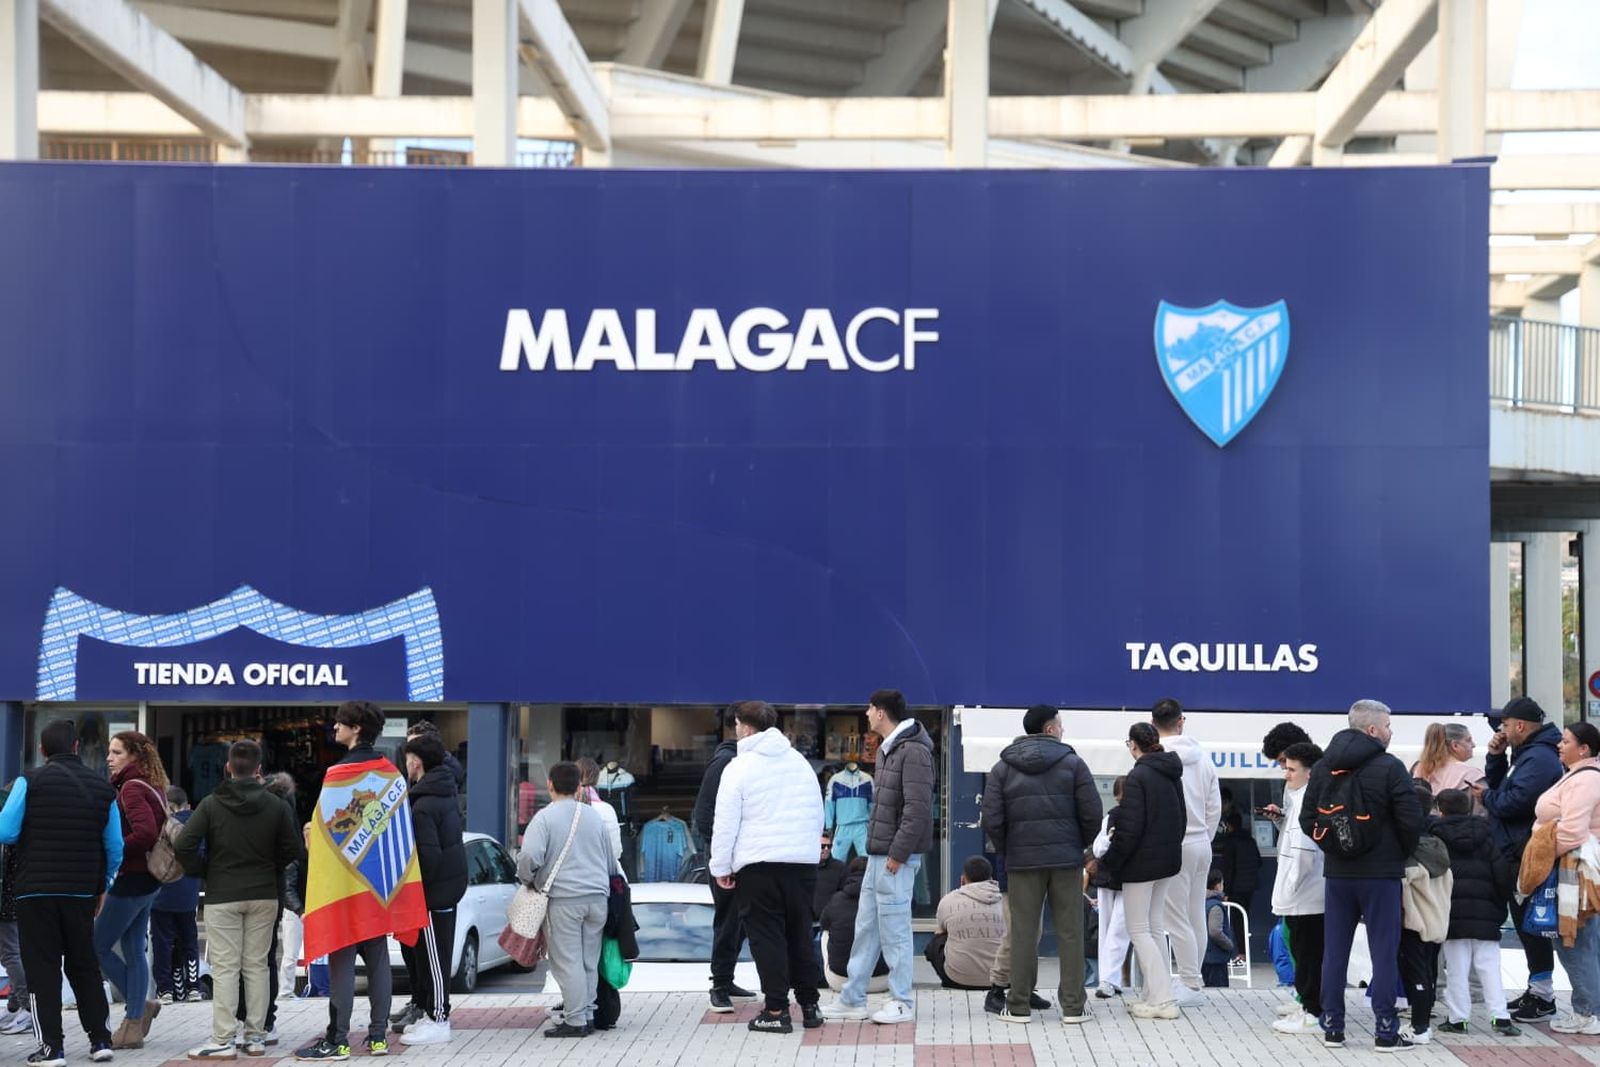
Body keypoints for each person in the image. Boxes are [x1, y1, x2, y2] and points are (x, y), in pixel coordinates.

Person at [296, 701, 419, 1061]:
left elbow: (323, 834)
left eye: (340, 724)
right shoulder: (392, 775)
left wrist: (309, 835)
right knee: (378, 958)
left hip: (343, 884)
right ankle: (379, 1037)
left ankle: (338, 1040)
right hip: (381, 884)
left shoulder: (337, 775)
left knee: (342, 963)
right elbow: (399, 834)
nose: (334, 728)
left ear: (357, 729)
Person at [1300, 699, 1425, 1053]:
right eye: (1387, 725)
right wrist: (1396, 853)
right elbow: (1410, 819)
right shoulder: (1389, 766)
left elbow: (1307, 819)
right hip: (1381, 875)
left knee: (1334, 953)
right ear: (1372, 729)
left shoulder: (1325, 766)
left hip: (1338, 875)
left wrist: (1334, 848)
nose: (1390, 731)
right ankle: (1385, 1030)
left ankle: (1333, 1028)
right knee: (1383, 953)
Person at [0, 717, 122, 1067]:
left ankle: (52, 1048)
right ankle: (100, 1040)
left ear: (41, 750)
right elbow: (114, 846)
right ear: (76, 747)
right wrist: (104, 884)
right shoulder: (102, 790)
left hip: (34, 891)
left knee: (42, 968)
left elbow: (6, 831)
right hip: (82, 891)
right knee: (84, 964)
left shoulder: (29, 781)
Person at [176, 740, 301, 1060]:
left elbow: (184, 844)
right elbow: (294, 850)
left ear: (228, 767)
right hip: (263, 893)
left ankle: (223, 1038)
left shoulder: (211, 804)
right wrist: (271, 866)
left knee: (227, 968)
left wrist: (205, 871)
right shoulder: (277, 806)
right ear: (259, 770)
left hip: (222, 893)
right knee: (258, 965)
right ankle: (256, 1036)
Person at [979, 703, 1101, 1024]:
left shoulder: (1002, 768)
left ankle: (1018, 1005)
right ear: (1049, 729)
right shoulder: (1074, 764)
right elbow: (1093, 814)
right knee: (1071, 932)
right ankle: (1073, 1006)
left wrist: (1009, 848)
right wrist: (1077, 844)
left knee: (1022, 931)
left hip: (1022, 861)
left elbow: (991, 818)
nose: (1063, 730)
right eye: (1060, 725)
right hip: (1065, 861)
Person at [709, 700, 826, 1034]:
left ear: (744, 727)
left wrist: (722, 866)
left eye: (735, 725)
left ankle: (776, 1009)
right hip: (802, 863)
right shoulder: (800, 763)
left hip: (759, 864)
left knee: (767, 937)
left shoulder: (739, 767)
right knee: (799, 933)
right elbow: (817, 813)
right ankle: (810, 1004)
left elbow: (726, 822)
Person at [820, 690, 934, 1026]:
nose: (866, 714)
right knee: (866, 926)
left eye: (870, 708)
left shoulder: (911, 751)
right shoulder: (891, 749)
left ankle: (901, 1001)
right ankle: (852, 999)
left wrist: (898, 854)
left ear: (881, 712)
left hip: (893, 858)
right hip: (878, 855)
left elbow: (917, 809)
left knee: (895, 930)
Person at [1474, 697, 1564, 1023]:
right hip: (1516, 850)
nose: (1502, 731)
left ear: (1521, 726)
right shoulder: (1526, 754)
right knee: (1527, 926)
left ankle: (1544, 996)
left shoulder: (1539, 759)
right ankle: (1538, 989)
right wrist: (1495, 758)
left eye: (1506, 725)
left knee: (1532, 926)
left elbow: (1514, 802)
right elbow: (1505, 788)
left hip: (1525, 853)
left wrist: (1485, 797)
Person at [518, 761, 621, 1038]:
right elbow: (611, 861)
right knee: (589, 960)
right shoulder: (594, 817)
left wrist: (528, 878)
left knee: (567, 961)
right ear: (579, 786)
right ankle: (587, 1013)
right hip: (598, 897)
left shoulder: (544, 818)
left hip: (564, 898)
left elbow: (529, 858)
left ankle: (575, 1020)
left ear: (550, 785)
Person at [1100, 722, 1185, 1021]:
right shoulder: (1171, 772)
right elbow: (1181, 818)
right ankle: (1157, 993)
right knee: (1153, 926)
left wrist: (1110, 862)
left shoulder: (1138, 776)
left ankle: (1161, 999)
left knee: (1138, 929)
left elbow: (1129, 827)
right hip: (1168, 860)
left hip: (1141, 864)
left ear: (1134, 745)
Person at [96, 731, 169, 1049]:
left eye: (116, 752)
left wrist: (112, 849)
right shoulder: (152, 784)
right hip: (150, 880)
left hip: (132, 879)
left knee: (95, 947)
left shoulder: (129, 789)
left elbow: (145, 833)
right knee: (135, 948)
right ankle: (136, 1018)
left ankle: (138, 1009)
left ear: (134, 756)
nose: (109, 758)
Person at [393, 734, 467, 1046]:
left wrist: (416, 889)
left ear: (416, 762)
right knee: (431, 955)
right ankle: (431, 1015)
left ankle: (439, 1019)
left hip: (435, 892)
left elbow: (429, 855)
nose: (405, 764)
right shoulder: (443, 792)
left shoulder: (423, 804)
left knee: (434, 957)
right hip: (448, 886)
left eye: (408, 758)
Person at [1529, 720, 1600, 1034]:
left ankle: (1587, 1012)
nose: (1559, 744)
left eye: (1566, 741)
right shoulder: (1577, 775)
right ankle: (1589, 1009)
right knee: (1582, 941)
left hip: (1575, 870)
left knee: (1574, 941)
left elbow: (1572, 830)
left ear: (1583, 748)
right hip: (1574, 867)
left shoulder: (1585, 780)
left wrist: (1539, 858)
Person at [1433, 787, 1520, 1038]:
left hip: (1452, 915)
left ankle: (1458, 1019)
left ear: (1441, 811)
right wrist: (1497, 905)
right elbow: (1502, 875)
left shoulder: (1437, 837)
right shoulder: (1487, 836)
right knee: (1490, 967)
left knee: (1457, 969)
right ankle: (1501, 1017)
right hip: (1485, 914)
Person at [1151, 698, 1221, 1007]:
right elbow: (1214, 806)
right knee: (1194, 915)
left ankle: (1190, 982)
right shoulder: (1204, 758)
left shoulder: (1155, 758)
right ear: (1182, 721)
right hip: (1200, 843)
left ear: (1154, 724)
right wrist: (1204, 836)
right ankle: (1193, 982)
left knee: (1174, 918)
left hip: (1172, 844)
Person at [691, 707, 755, 1013]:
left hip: (741, 854)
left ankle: (726, 979)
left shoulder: (742, 761)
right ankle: (719, 986)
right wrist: (720, 855)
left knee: (739, 921)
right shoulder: (726, 761)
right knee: (728, 920)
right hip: (724, 855)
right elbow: (703, 817)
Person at [1265, 741, 1326, 1037]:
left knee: (1308, 954)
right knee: (1306, 952)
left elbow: (1303, 852)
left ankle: (1313, 1013)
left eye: (1291, 769)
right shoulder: (1300, 799)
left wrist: (1289, 888)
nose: (1286, 774)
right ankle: (1310, 1009)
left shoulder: (1307, 801)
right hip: (1305, 891)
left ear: (1310, 773)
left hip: (1306, 893)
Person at [236, 772, 297, 1044]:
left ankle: (246, 1018)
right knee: (264, 957)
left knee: (242, 958)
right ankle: (265, 1020)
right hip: (270, 886)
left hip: (245, 887)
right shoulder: (283, 807)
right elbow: (292, 848)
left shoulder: (250, 805)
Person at [1397, 782, 1450, 1048]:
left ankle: (1419, 1028)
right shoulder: (1437, 843)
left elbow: (1405, 881)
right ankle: (1422, 1022)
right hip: (1436, 921)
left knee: (1415, 974)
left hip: (1414, 921)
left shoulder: (1407, 849)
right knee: (1428, 972)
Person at [151, 787, 201, 1005]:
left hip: (162, 891)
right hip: (189, 892)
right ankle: (193, 987)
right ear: (187, 805)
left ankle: (166, 989)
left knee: (163, 942)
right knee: (189, 940)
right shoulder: (198, 824)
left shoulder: (160, 823)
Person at [929, 857, 1005, 990]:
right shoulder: (1005, 900)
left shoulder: (948, 900)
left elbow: (940, 931)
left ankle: (956, 975)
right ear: (990, 878)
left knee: (937, 940)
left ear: (963, 879)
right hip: (1004, 980)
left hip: (957, 979)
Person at [1089, 776, 1131, 1000]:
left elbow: (1097, 849)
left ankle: (1108, 979)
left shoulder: (1112, 816)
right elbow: (1098, 848)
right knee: (1113, 928)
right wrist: (1109, 840)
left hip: (1115, 876)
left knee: (1115, 928)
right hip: (1119, 877)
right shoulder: (1112, 817)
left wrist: (1107, 842)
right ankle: (1109, 979)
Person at [819, 858, 888, 992]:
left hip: (840, 981)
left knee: (825, 933)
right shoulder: (883, 899)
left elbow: (824, 924)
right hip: (882, 981)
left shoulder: (837, 899)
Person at [0, 780, 30, 1037]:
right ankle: (15, 1005)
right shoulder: (28, 826)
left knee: (10, 954)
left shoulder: (8, 828)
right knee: (14, 952)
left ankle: (26, 1008)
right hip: (19, 898)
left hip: (6, 901)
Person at [1213, 809, 1261, 956]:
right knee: (1244, 918)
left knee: (1237, 921)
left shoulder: (1231, 842)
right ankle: (1244, 952)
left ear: (1229, 825)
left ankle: (1242, 954)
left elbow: (1228, 868)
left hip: (1236, 888)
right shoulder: (1251, 840)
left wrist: (1225, 891)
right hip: (1250, 887)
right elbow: (1259, 862)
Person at [1412, 724, 1485, 812]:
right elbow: (1480, 814)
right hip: (1460, 824)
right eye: (1468, 740)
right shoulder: (1472, 776)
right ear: (1455, 745)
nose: (1473, 745)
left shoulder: (1419, 769)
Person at [404, 720, 464, 791]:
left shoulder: (447, 776)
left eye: (416, 745)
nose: (410, 750)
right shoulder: (416, 770)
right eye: (409, 746)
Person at [1202, 871, 1234, 988]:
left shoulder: (1201, 903)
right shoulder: (1215, 906)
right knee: (1219, 989)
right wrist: (1229, 945)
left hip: (1205, 955)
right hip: (1215, 957)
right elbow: (1215, 932)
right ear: (1217, 885)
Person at [813, 831, 846, 923]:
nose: (826, 849)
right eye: (822, 846)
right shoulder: (805, 868)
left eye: (829, 846)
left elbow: (843, 895)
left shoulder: (840, 868)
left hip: (830, 921)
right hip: (807, 922)